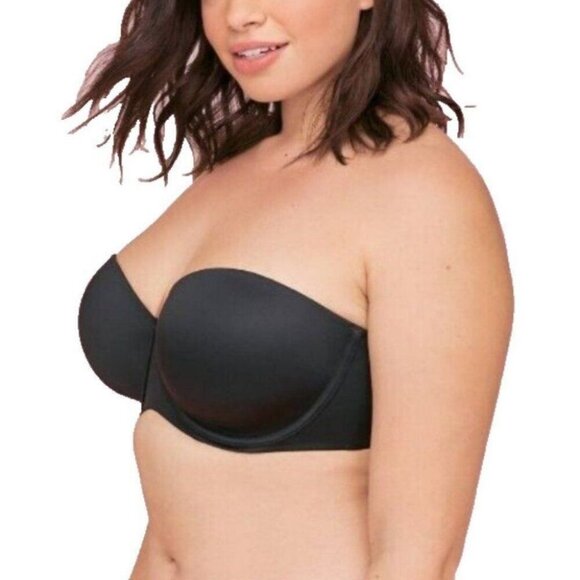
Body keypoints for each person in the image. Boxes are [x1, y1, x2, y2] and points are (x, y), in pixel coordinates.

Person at [65, 0, 514, 578]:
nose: (238, 15)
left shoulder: (423, 194)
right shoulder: (234, 166)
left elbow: (418, 558)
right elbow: (194, 501)